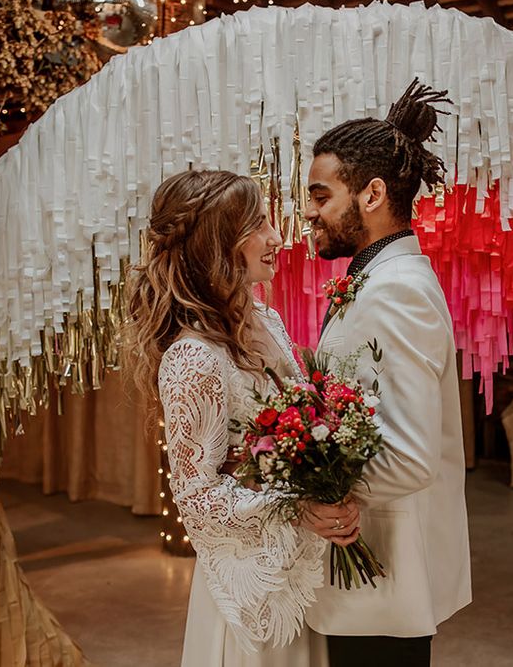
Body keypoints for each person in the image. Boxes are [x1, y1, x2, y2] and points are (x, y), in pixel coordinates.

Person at [126, 169, 360, 666]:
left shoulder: (266, 319)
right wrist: (296, 507)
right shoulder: (193, 358)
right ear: (219, 242)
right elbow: (197, 497)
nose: (277, 237)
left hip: (303, 575)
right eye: (259, 225)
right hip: (251, 596)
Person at [303, 79, 472, 667]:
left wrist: (315, 490)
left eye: (321, 195)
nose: (308, 211)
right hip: (370, 569)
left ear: (371, 193)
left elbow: (409, 456)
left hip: (384, 569)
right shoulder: (379, 280)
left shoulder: (397, 291)